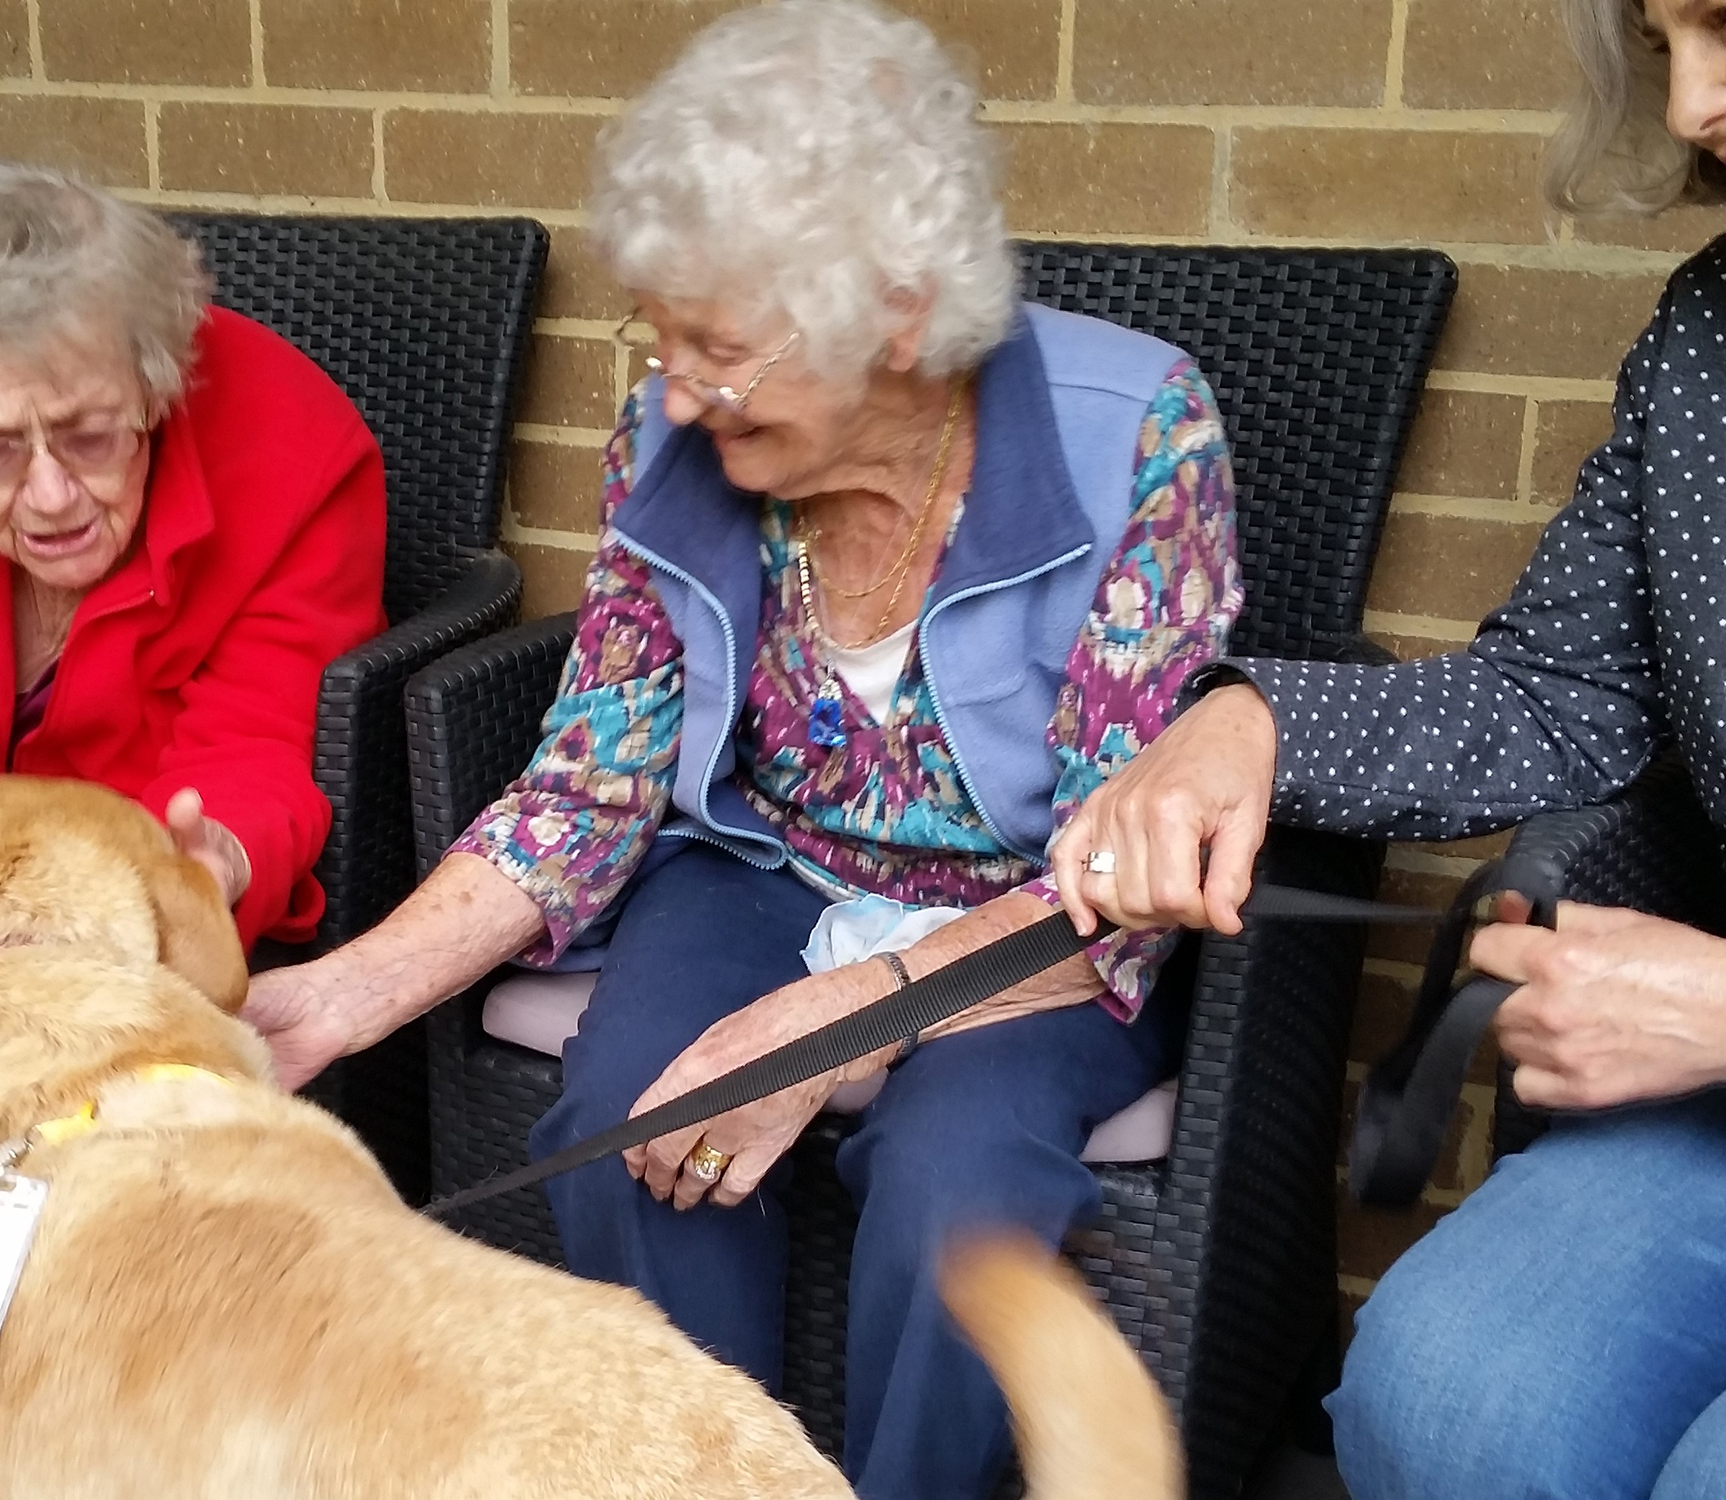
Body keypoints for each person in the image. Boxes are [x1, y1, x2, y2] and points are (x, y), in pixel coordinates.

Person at [242, 2, 1240, 1493]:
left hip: (1034, 917)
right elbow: (597, 777)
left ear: (898, 312)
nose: (675, 389)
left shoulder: (1133, 434)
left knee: (955, 1190)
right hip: (764, 864)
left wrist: (844, 1018)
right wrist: (341, 992)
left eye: (717, 345)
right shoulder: (679, 441)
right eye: (661, 337)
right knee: (630, 1113)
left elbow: (1123, 866)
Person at [1050, 0, 1726, 1496]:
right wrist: (1251, 721)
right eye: (1658, 37)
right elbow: (1554, 689)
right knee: (1446, 1393)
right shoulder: (1718, 335)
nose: (1687, 104)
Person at [0, 161, 386, 948]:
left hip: (133, 916)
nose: (49, 494)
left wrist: (210, 864)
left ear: (155, 384)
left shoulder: (296, 460)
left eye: (89, 436)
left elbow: (254, 744)